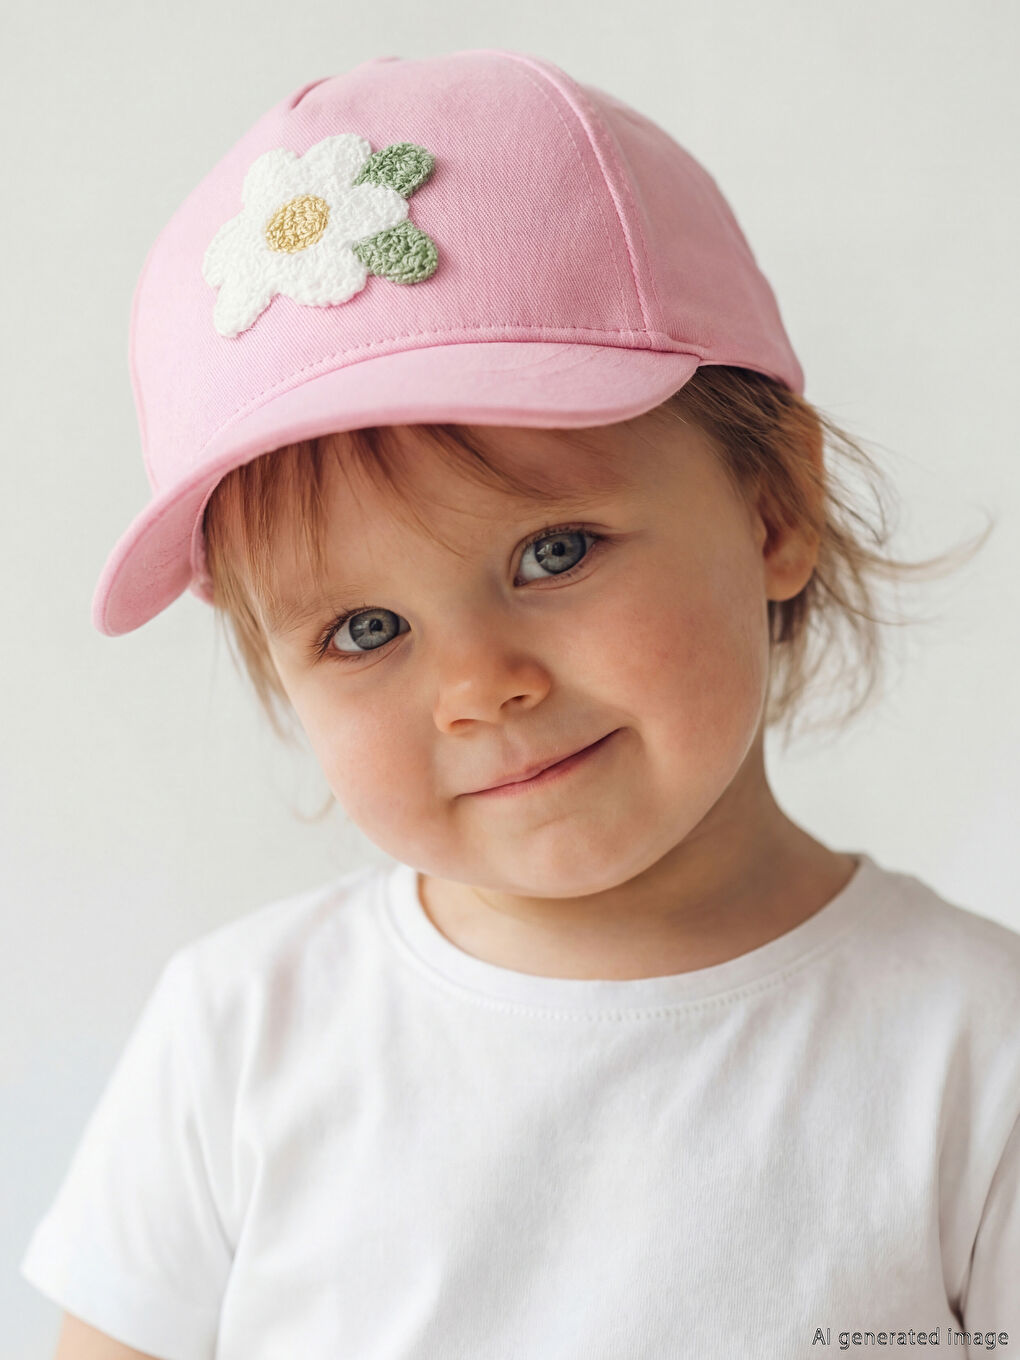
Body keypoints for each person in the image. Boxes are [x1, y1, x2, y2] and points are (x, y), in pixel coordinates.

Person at [20, 48, 1019, 1360]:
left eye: (553, 553)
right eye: (364, 630)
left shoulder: (976, 1055)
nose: (483, 684)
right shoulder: (241, 1035)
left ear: (775, 508)